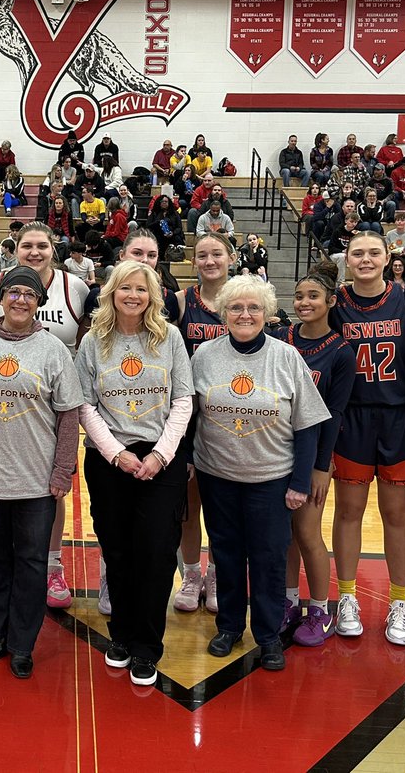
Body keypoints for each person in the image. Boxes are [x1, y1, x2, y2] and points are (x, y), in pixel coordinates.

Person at [0, 266, 83, 679]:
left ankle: (23, 643)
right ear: (1, 298)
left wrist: (62, 471)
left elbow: (68, 414)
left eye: (29, 294)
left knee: (30, 561)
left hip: (36, 478)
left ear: (39, 301)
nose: (20, 300)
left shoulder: (53, 349)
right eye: (13, 292)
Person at [192, 275, 330, 671]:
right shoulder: (203, 355)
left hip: (271, 480)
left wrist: (300, 483)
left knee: (269, 559)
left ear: (267, 313)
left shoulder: (287, 358)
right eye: (236, 307)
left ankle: (268, 635)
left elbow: (308, 425)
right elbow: (190, 415)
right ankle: (230, 626)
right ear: (223, 313)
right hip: (217, 477)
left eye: (254, 307)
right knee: (226, 555)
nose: (245, 314)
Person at [75, 261, 192, 685]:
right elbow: (85, 405)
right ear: (111, 292)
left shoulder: (170, 338)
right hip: (110, 460)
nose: (133, 295)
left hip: (162, 458)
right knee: (118, 551)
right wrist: (116, 453)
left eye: (141, 289)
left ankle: (147, 645)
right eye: (125, 287)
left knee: (157, 554)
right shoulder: (93, 341)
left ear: (153, 295)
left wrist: (160, 455)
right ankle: (120, 635)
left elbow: (183, 400)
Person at [0, 222, 90, 607]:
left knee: (51, 490)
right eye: (27, 246)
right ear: (16, 249)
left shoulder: (76, 288)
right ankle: (11, 567)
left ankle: (52, 565)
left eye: (42, 245)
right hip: (8, 402)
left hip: (56, 402)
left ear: (53, 249)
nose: (35, 252)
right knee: (9, 495)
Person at [330, 230, 405, 645]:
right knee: (349, 512)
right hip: (351, 419)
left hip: (398, 419)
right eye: (357, 254)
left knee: (396, 515)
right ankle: (347, 598)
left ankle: (400, 602)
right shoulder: (336, 303)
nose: (365, 260)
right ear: (346, 259)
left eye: (373, 253)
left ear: (389, 257)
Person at [273, 262, 356, 646]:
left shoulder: (341, 351)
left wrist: (322, 466)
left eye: (313, 296)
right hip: (273, 448)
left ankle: (321, 609)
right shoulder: (280, 336)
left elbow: (335, 413)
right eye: (300, 296)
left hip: (313, 454)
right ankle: (289, 602)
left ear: (331, 301)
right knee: (284, 534)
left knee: (307, 531)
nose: (304, 302)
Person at [170, 233, 236, 613]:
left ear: (230, 257)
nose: (209, 261)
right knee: (188, 506)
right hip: (190, 414)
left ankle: (217, 575)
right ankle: (192, 574)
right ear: (194, 262)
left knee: (223, 507)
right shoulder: (180, 302)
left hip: (233, 414)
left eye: (216, 254)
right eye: (202, 255)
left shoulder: (245, 298)